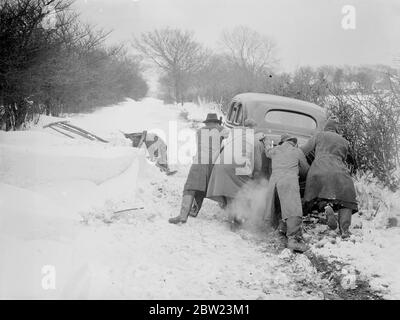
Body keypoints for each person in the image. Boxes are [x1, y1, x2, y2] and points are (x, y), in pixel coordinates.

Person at [301, 118, 358, 239]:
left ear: (325, 127)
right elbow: (350, 160)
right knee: (347, 200)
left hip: (319, 170)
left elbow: (303, 151)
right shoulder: (344, 141)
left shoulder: (319, 135)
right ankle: (345, 230)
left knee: (320, 194)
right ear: (336, 129)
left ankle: (326, 206)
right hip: (339, 171)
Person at [168, 113, 228, 224]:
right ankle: (232, 213)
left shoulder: (199, 131)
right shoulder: (222, 130)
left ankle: (183, 215)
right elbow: (229, 138)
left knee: (190, 188)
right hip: (213, 165)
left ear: (207, 122)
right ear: (216, 122)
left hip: (199, 162)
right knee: (205, 188)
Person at [206, 119, 265, 212]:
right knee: (245, 189)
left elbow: (221, 147)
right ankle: (237, 216)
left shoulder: (232, 133)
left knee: (228, 187)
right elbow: (257, 165)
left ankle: (230, 212)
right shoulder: (254, 140)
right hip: (235, 166)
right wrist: (256, 176)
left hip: (220, 164)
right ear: (252, 128)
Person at [264, 134, 310, 253]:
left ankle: (278, 229)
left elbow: (267, 152)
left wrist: (266, 142)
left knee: (276, 206)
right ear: (293, 142)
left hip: (273, 183)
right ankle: (293, 240)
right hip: (289, 181)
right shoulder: (297, 151)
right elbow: (305, 169)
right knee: (293, 210)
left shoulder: (275, 150)